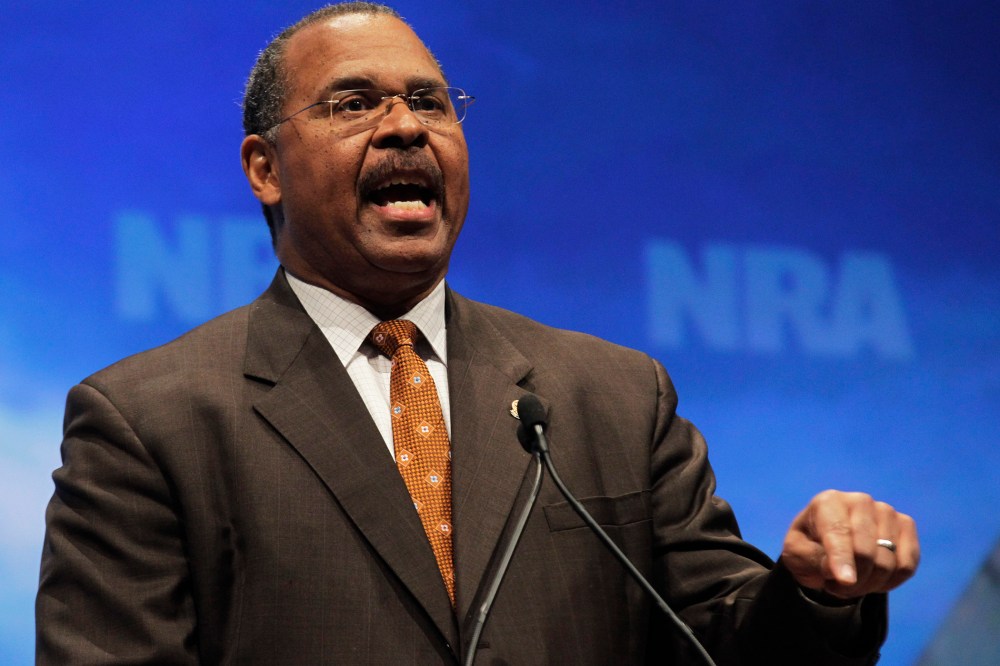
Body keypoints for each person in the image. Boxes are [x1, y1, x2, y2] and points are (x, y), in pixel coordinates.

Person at [36, 3, 919, 664]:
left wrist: (815, 591)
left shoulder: (611, 396)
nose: (407, 126)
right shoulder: (147, 421)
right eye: (354, 104)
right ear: (264, 168)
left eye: (430, 101)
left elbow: (732, 644)